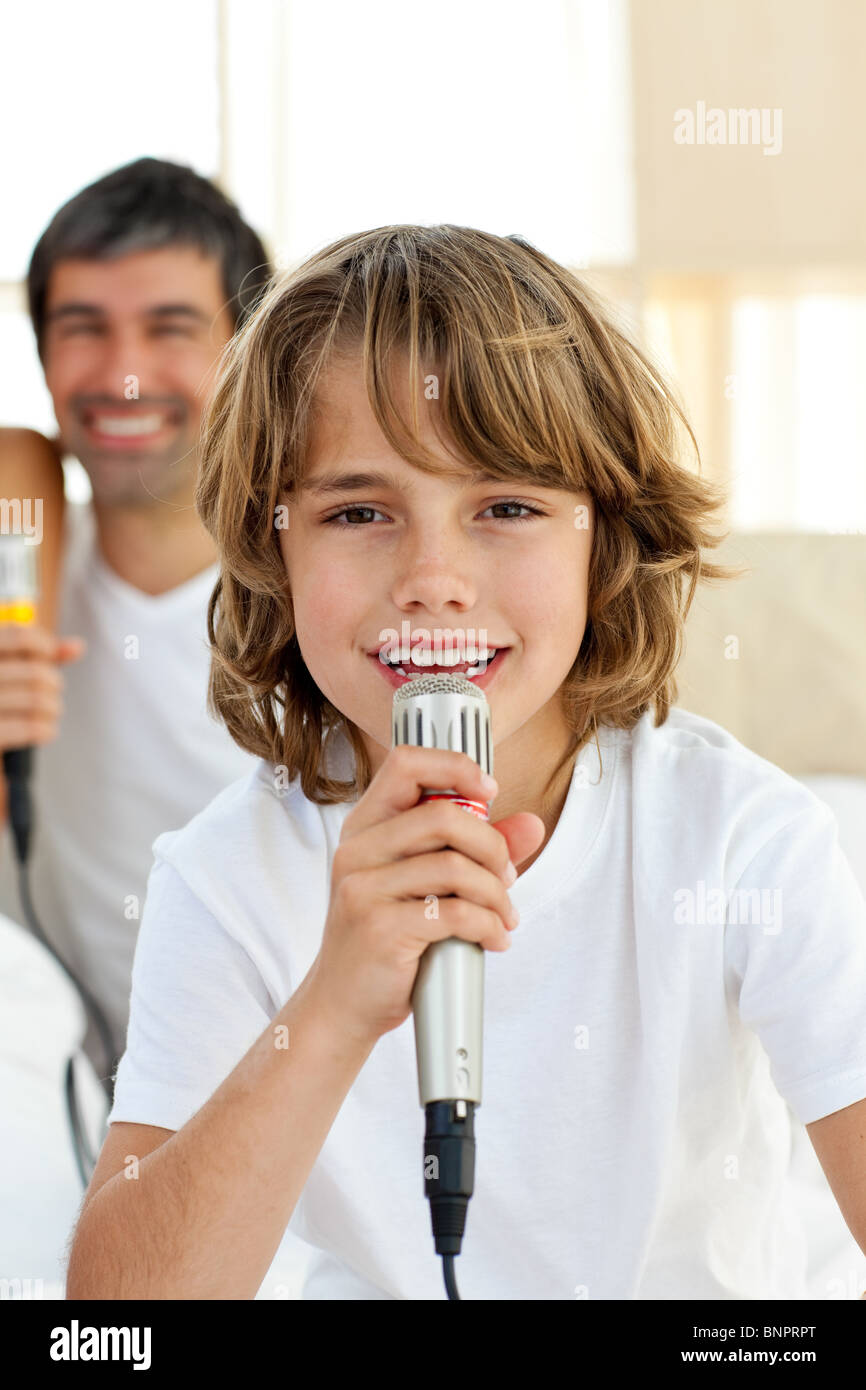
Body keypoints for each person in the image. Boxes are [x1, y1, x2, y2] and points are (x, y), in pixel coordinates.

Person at [67, 226, 866, 1300]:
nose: (433, 578)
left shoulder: (740, 840)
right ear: (273, 549)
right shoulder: (222, 876)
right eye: (358, 511)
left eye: (506, 507)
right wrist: (337, 998)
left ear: (605, 538)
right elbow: (117, 1328)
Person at [0, 158, 273, 1077]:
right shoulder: (23, 556)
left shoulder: (325, 596)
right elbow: (10, 454)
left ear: (246, 351)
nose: (122, 376)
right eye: (82, 329)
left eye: (169, 329)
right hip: (61, 1111)